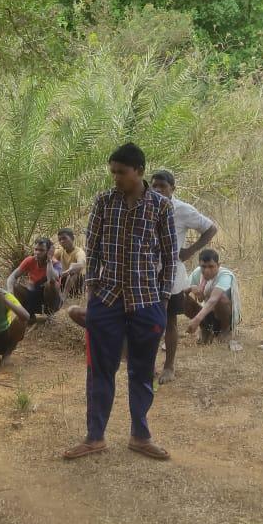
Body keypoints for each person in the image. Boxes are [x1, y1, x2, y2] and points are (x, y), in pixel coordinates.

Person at [63, 143, 175, 463]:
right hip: (106, 299)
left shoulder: (161, 207)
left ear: (139, 171)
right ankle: (94, 437)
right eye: (112, 172)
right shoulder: (102, 202)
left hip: (146, 300)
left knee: (141, 371)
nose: (115, 178)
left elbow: (169, 258)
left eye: (121, 173)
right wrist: (92, 290)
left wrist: (163, 299)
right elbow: (93, 247)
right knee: (100, 370)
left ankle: (140, 436)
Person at [149, 170, 218, 383]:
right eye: (155, 186)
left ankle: (169, 366)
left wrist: (189, 251)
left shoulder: (182, 210)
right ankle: (149, 366)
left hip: (172, 273)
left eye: (163, 186)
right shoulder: (144, 206)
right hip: (147, 272)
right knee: (148, 321)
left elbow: (210, 228)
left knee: (169, 320)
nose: (158, 190)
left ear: (173, 189)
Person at [183, 249, 242, 349]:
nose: (206, 270)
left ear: (218, 265)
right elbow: (180, 292)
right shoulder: (197, 272)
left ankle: (225, 330)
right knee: (181, 298)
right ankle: (205, 328)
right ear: (199, 265)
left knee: (220, 299)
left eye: (211, 266)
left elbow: (213, 300)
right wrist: (190, 288)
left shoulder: (225, 275)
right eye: (203, 267)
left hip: (225, 316)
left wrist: (196, 319)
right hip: (207, 314)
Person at [6, 237, 62, 322]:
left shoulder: (55, 264)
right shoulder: (30, 260)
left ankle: (50, 314)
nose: (37, 253)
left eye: (41, 250)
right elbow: (12, 277)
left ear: (48, 251)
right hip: (33, 296)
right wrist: (10, 293)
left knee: (50, 284)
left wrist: (49, 260)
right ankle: (29, 315)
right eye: (36, 249)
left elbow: (51, 279)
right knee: (15, 285)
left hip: (49, 301)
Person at [53, 229, 86, 299]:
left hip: (77, 282)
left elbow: (81, 264)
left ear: (72, 238)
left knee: (74, 270)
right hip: (64, 280)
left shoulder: (79, 252)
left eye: (64, 238)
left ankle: (64, 296)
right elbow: (51, 258)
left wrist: (63, 273)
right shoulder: (60, 251)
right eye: (60, 239)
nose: (62, 241)